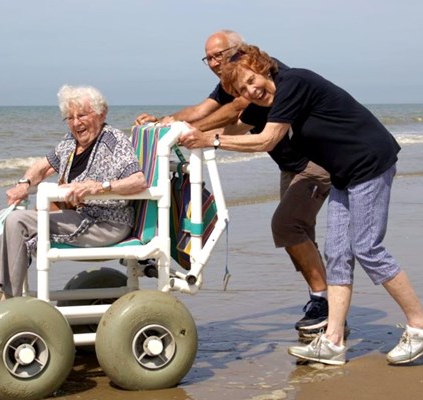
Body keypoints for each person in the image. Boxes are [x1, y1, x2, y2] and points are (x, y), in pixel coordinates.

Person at [179, 43, 423, 365]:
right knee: (337, 254)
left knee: (367, 248)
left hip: (370, 164)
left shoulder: (294, 84)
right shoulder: (266, 103)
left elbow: (266, 140)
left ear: (262, 67)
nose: (252, 89)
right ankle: (332, 341)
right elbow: (235, 127)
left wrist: (213, 140)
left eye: (252, 80)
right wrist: (178, 130)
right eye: (243, 89)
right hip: (345, 173)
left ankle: (421, 326)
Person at [136, 30, 333, 337]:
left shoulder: (257, 73)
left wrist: (191, 132)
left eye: (220, 55)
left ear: (240, 50)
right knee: (300, 233)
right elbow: (203, 111)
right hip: (291, 165)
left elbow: (236, 110)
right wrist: (164, 122)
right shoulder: (229, 80)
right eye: (209, 58)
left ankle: (324, 302)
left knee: (286, 226)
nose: (214, 62)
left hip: (315, 163)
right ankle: (323, 303)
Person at [0, 85, 147, 299]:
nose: (76, 123)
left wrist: (100, 187)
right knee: (1, 218)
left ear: (101, 114)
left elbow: (138, 181)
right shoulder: (69, 143)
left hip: (105, 223)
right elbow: (43, 167)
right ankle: (2, 288)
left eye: (81, 115)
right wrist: (23, 184)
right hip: (77, 217)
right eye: (69, 118)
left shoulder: (114, 141)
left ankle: (9, 299)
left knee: (17, 221)